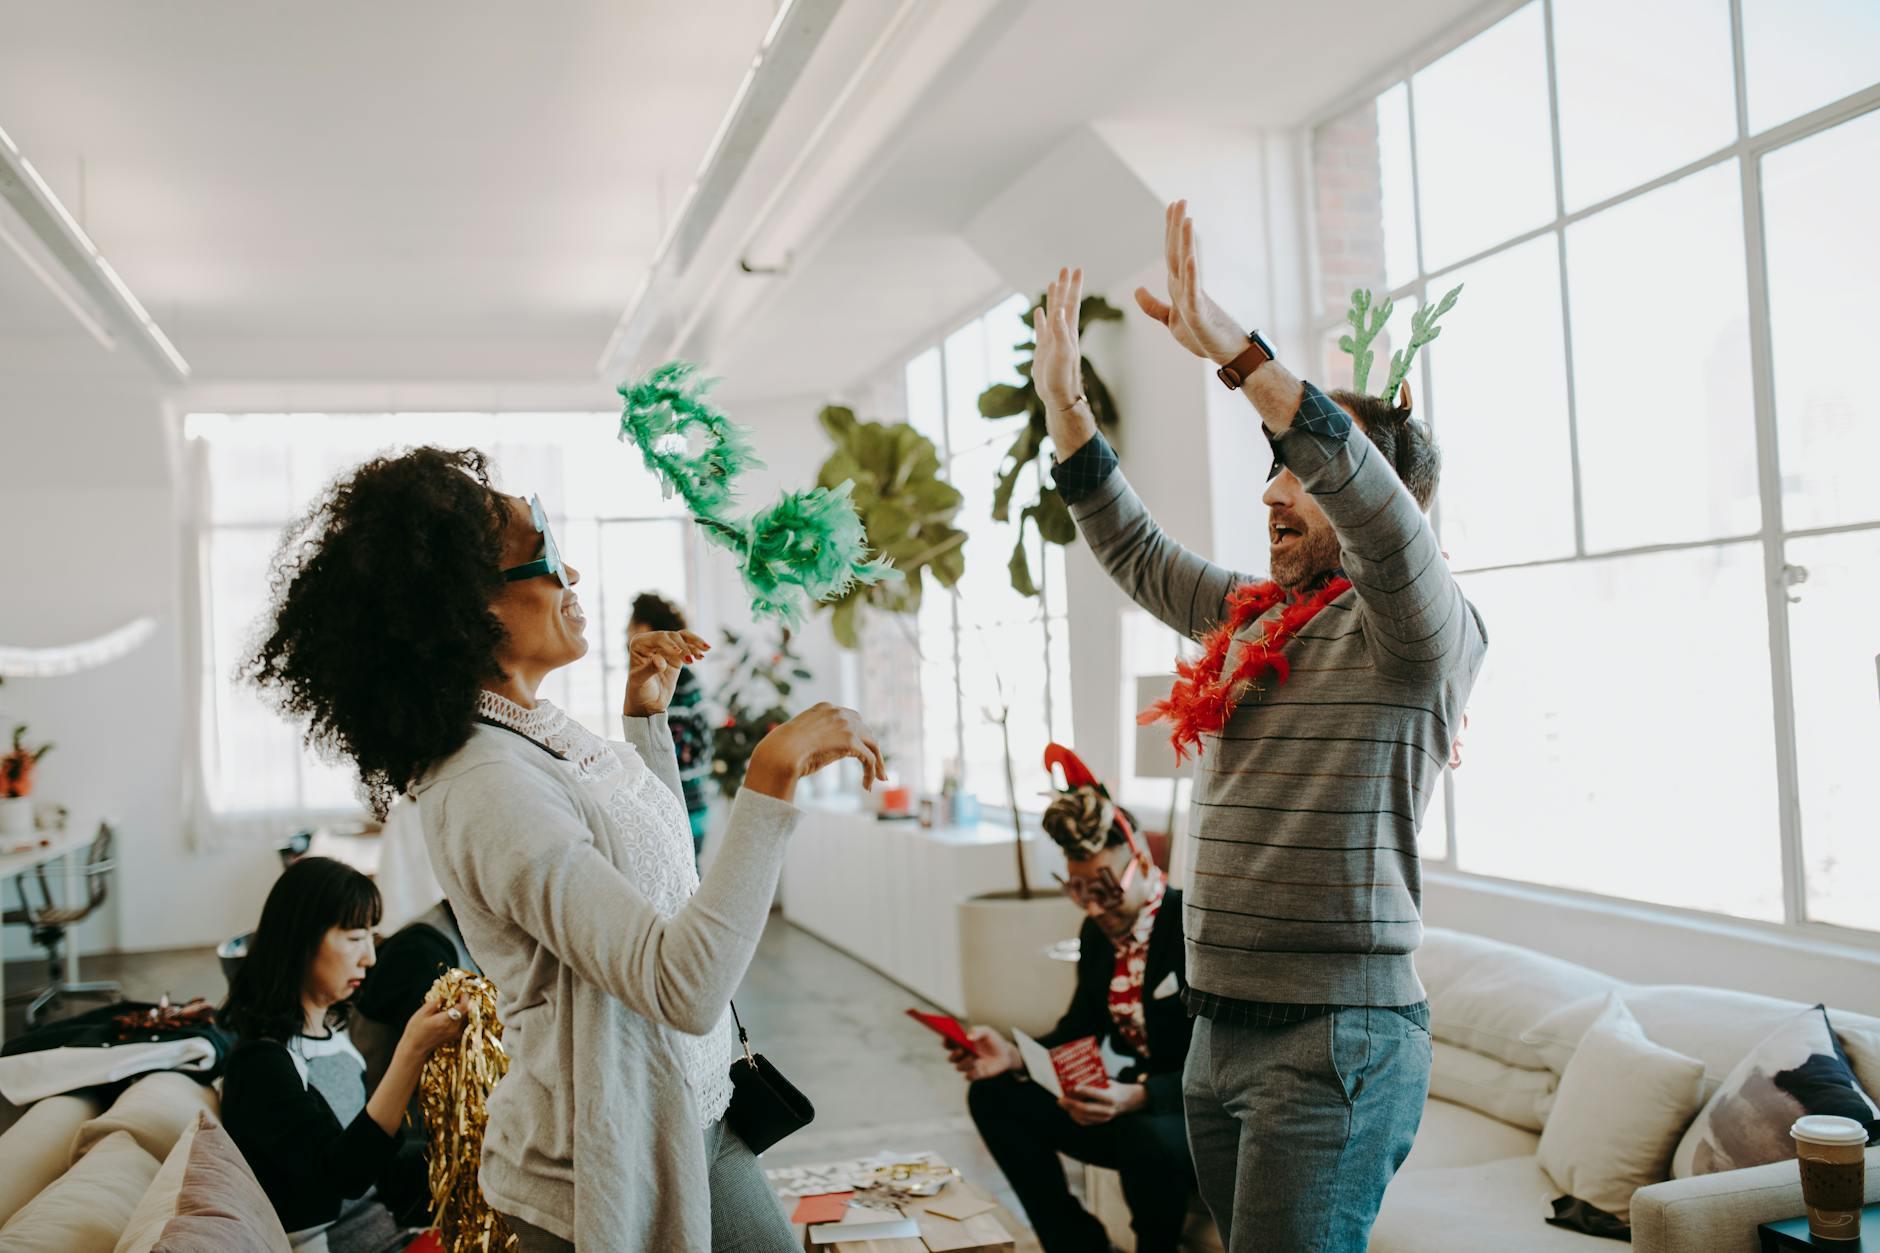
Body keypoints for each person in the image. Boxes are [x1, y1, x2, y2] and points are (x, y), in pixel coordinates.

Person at [245, 447, 884, 1252]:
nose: (571, 570)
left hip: (692, 1111)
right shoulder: (485, 783)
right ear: (468, 608)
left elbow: (655, 883)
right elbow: (679, 981)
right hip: (608, 1161)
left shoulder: (529, 726)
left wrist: (646, 730)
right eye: (544, 554)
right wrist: (768, 776)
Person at [1030, 203, 1488, 1252]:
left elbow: (1369, 505)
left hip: (1333, 1041)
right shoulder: (1252, 621)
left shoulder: (1416, 635)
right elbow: (1136, 550)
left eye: (1298, 470)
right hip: (1216, 1027)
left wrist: (1239, 359)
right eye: (1271, 469)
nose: (1272, 490)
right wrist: (1065, 404)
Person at [948, 747, 1194, 1253]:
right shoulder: (1097, 932)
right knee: (993, 1096)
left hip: (1187, 1113)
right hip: (1127, 1104)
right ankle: (1076, 1245)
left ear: (1142, 862)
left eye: (1105, 889)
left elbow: (1225, 1064)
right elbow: (1079, 1028)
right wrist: (1014, 1056)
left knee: (1146, 1140)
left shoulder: (1191, 927)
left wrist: (1140, 1095)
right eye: (1078, 890)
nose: (1093, 906)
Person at [220, 856, 468, 1252]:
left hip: (394, 1234)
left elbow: (375, 1174)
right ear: (300, 940)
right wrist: (413, 1049)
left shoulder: (331, 1032)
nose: (369, 957)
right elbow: (343, 1174)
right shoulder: (261, 1066)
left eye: (372, 937)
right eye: (354, 939)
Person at [628, 592, 714, 860]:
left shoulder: (669, 683)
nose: (626, 634)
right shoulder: (687, 677)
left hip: (681, 803)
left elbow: (666, 749)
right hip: (696, 800)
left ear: (643, 629)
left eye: (629, 627)